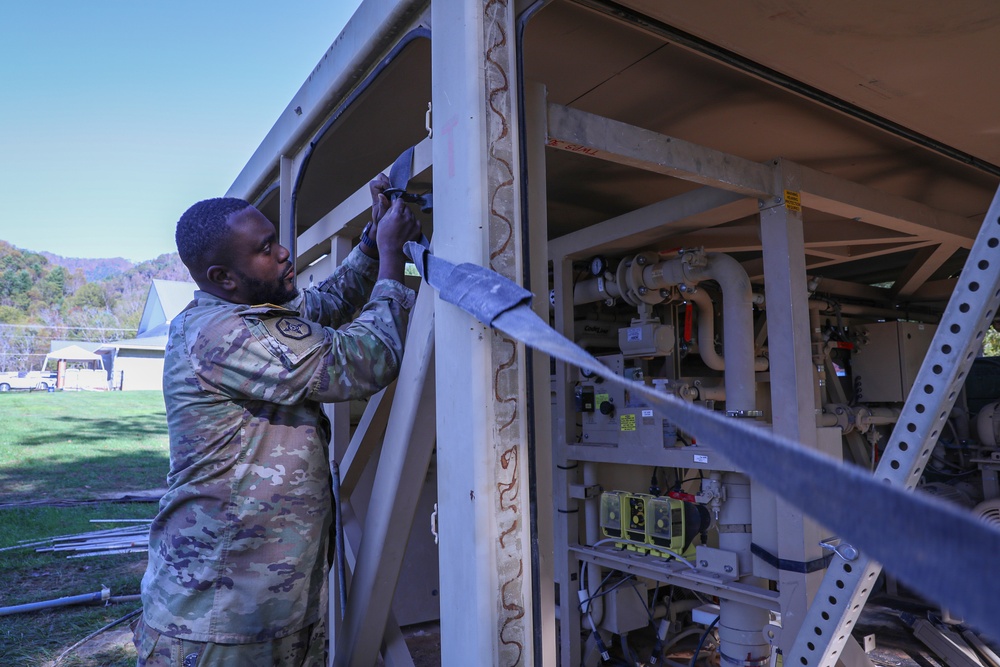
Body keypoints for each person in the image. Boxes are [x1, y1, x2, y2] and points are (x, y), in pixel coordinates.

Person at [133, 175, 420, 666]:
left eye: (275, 239)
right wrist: (394, 261)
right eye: (266, 249)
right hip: (218, 623)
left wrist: (373, 240)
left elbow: (326, 303)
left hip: (269, 607)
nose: (284, 253)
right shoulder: (224, 334)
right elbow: (364, 360)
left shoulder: (250, 312)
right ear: (224, 276)